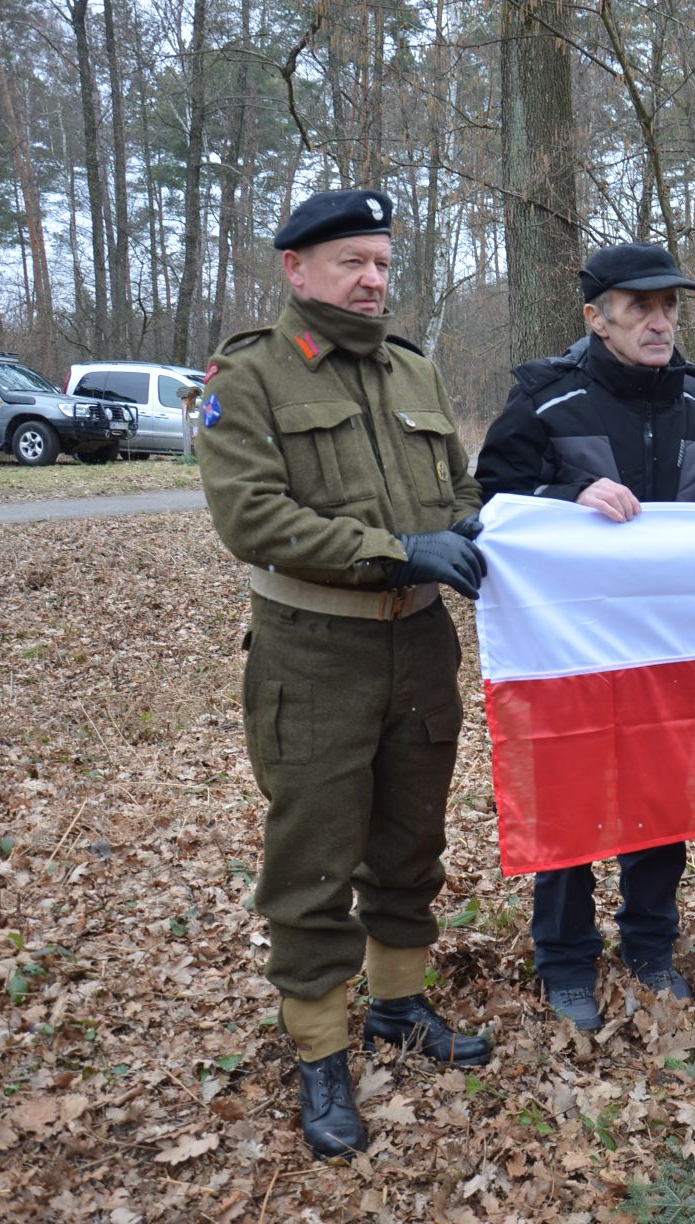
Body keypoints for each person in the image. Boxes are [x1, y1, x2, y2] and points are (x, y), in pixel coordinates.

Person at [196, 188, 492, 1160]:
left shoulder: (412, 368)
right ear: (296, 269)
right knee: (316, 857)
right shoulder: (252, 375)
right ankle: (321, 1051)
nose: (372, 280)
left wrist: (488, 527)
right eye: (349, 262)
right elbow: (255, 520)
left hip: (419, 648)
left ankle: (400, 1007)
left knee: (409, 842)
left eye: (380, 262)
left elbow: (455, 495)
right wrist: (397, 548)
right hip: (314, 654)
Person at [475, 242, 695, 1030]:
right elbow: (493, 497)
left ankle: (650, 946)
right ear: (597, 318)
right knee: (569, 798)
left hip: (672, 653)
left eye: (669, 306)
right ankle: (564, 958)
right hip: (569, 654)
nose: (659, 321)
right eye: (640, 307)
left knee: (662, 798)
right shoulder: (545, 401)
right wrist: (566, 494)